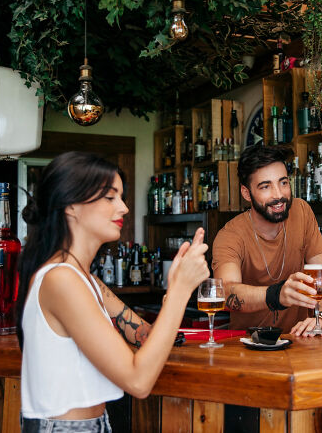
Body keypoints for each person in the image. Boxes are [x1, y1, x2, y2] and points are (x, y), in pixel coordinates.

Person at [16, 152, 209, 431]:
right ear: (70, 205)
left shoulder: (86, 281)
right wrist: (180, 291)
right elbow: (138, 381)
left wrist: (174, 287)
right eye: (110, 197)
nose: (124, 208)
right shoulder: (61, 280)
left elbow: (147, 339)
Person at [212, 144, 322, 336]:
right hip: (247, 346)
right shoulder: (230, 235)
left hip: (299, 341)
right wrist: (276, 295)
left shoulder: (301, 211)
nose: (278, 195)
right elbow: (227, 291)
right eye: (265, 186)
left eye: (283, 183)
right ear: (246, 193)